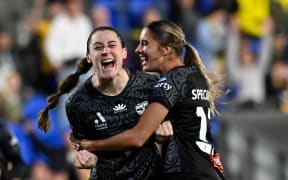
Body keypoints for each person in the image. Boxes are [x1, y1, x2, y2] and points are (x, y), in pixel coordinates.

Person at [72, 20, 226, 180]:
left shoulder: (171, 81)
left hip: (187, 172)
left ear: (166, 49)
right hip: (211, 170)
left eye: (145, 44)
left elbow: (138, 137)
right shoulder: (195, 75)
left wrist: (90, 144)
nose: (138, 50)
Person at [38, 26, 170, 179]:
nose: (106, 51)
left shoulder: (149, 84)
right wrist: (87, 159)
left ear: (124, 53)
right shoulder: (77, 103)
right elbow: (87, 152)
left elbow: (166, 135)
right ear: (88, 57)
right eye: (98, 47)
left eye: (112, 45)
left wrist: (163, 137)